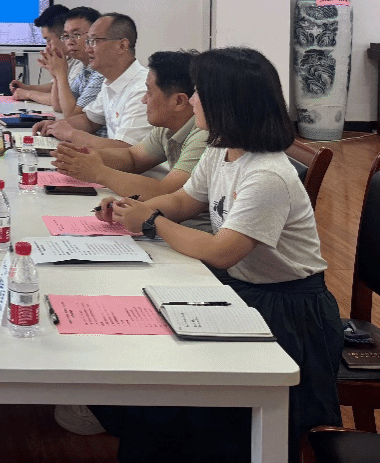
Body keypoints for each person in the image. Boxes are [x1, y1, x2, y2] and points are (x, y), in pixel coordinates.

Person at [93, 47, 343, 463]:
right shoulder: (220, 151)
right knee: (152, 368)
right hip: (245, 292)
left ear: (226, 103)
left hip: (289, 313)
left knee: (178, 404)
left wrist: (150, 222)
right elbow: (184, 201)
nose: (192, 100)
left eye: (199, 93)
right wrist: (132, 208)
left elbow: (221, 251)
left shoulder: (267, 174)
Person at [51, 49, 211, 230]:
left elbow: (166, 191)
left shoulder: (203, 135)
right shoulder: (168, 126)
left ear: (179, 101)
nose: (144, 100)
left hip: (191, 231)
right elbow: (133, 158)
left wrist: (98, 172)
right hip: (170, 225)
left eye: (149, 92)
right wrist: (84, 157)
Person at [36, 12, 151, 148]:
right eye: (88, 41)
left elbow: (126, 149)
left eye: (94, 41)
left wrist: (72, 134)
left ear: (121, 45)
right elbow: (90, 121)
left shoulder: (142, 89)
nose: (88, 49)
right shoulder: (109, 82)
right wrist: (56, 126)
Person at [44, 5, 104, 119]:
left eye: (76, 35)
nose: (69, 42)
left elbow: (72, 115)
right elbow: (58, 106)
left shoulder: (102, 71)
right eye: (66, 36)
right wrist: (56, 76)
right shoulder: (85, 69)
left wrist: (61, 73)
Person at [9, 3, 72, 106]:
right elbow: (55, 87)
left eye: (48, 40)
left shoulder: (81, 62)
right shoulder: (70, 59)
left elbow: (61, 100)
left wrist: (28, 94)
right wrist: (28, 88)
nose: (47, 47)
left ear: (63, 36)